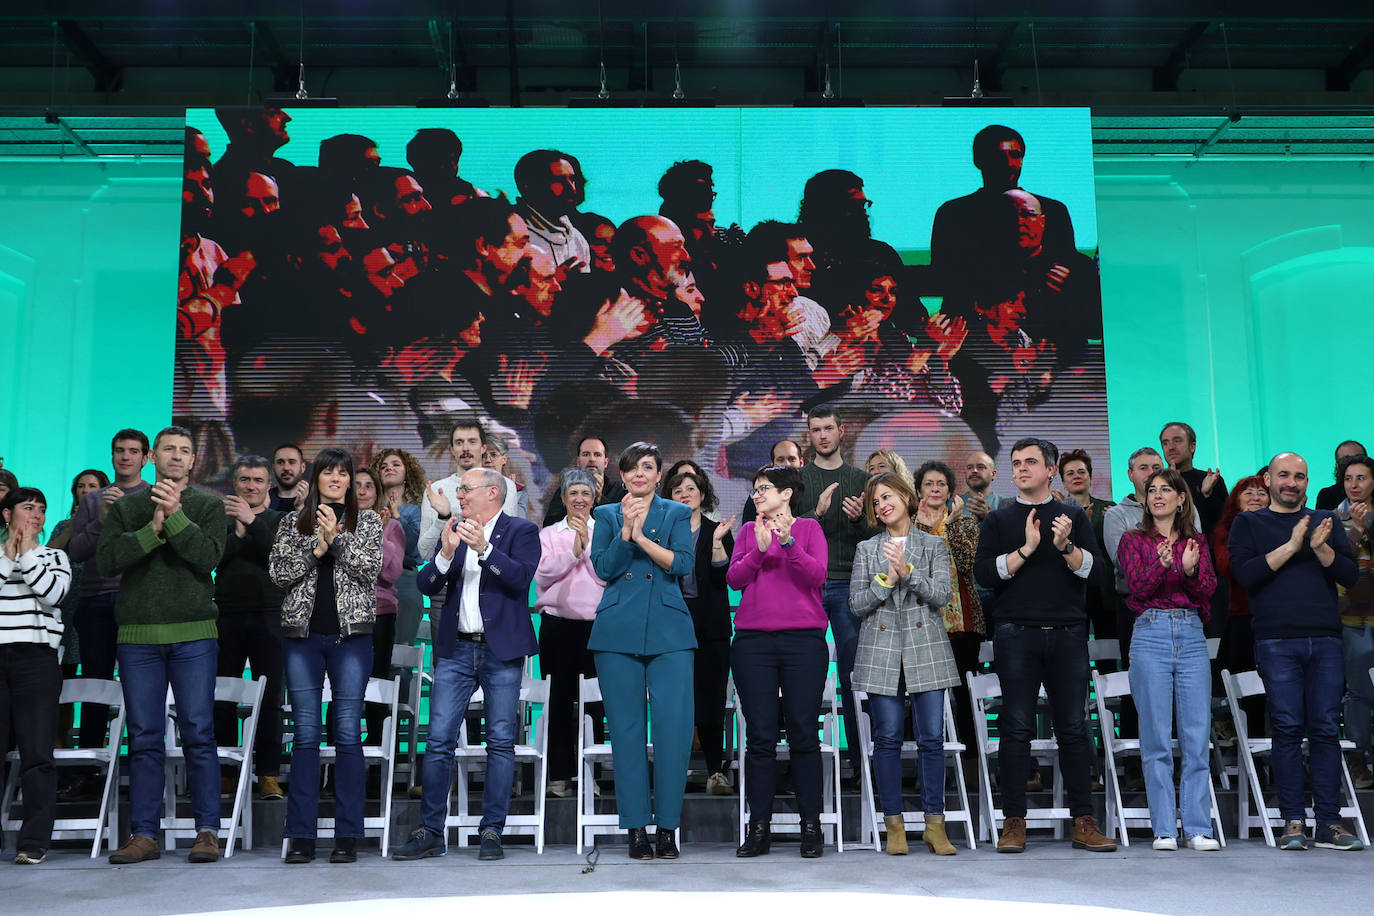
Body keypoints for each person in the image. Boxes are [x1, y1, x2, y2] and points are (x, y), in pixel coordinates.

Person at [972, 436, 1113, 853]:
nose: (1021, 469)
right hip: (1016, 635)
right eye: (1016, 463)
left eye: (1030, 462)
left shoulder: (1072, 516)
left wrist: (1065, 546)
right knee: (1015, 729)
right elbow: (985, 574)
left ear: (1051, 470)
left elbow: (1097, 572)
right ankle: (1014, 821)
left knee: (1073, 728)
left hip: (1069, 635)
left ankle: (1084, 821)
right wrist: (1027, 549)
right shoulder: (998, 520)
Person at [392, 466, 540, 863]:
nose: (460, 496)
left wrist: (485, 551)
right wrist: (443, 554)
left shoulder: (521, 531)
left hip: (501, 651)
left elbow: (520, 579)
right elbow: (426, 585)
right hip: (456, 649)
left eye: (466, 490)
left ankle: (492, 830)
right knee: (439, 739)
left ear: (493, 492)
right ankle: (430, 831)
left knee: (500, 741)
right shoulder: (454, 531)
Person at [96, 426, 227, 865]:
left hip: (194, 634)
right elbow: (108, 560)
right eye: (168, 449)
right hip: (138, 637)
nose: (176, 456)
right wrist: (152, 529)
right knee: (145, 736)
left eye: (185, 451)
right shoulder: (129, 505)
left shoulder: (208, 505)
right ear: (153, 457)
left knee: (198, 732)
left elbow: (208, 558)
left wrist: (174, 518)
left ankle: (207, 831)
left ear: (193, 461)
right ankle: (145, 835)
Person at [1228, 451, 1363, 851]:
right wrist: (1292, 545)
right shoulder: (1248, 522)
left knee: (1324, 729)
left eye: (1300, 476)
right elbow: (1246, 574)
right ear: (1267, 480)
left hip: (1325, 639)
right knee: (1286, 728)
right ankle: (1292, 821)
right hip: (1275, 640)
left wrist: (1321, 549)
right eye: (1283, 475)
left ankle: (1329, 822)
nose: (1292, 482)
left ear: (1308, 481)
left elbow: (1350, 576)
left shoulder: (1328, 520)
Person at [269, 447, 383, 865]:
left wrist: (337, 541)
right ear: (315, 478)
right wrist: (313, 550)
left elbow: (372, 568)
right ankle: (300, 834)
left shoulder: (367, 521)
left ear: (351, 481)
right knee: (304, 735)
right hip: (302, 638)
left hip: (350, 639)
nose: (335, 479)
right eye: (328, 473)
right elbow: (279, 575)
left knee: (349, 734)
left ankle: (347, 834)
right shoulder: (290, 523)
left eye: (342, 473)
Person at [587, 442, 695, 860]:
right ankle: (636, 829)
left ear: (658, 473)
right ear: (623, 473)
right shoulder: (605, 514)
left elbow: (682, 564)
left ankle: (667, 828)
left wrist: (642, 539)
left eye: (647, 467)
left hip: (670, 632)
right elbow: (604, 568)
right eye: (631, 468)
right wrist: (623, 534)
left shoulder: (676, 513)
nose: (638, 474)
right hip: (617, 631)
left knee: (672, 731)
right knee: (627, 734)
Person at [851, 468, 960, 856]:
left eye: (886, 497)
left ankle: (935, 824)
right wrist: (885, 579)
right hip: (881, 652)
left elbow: (942, 595)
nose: (881, 505)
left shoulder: (932, 546)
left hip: (925, 648)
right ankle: (893, 824)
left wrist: (908, 573)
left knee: (932, 738)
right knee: (888, 738)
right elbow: (857, 604)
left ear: (906, 496)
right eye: (875, 501)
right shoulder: (867, 549)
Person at [1115, 469, 1220, 851]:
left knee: (1196, 736)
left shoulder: (1197, 540)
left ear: (1181, 498)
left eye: (1166, 490)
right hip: (1151, 632)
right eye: (1151, 490)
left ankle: (1197, 828)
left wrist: (1189, 570)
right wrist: (1163, 565)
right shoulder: (1133, 540)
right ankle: (1163, 828)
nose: (1157, 495)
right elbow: (1136, 587)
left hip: (1191, 634)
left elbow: (1209, 589)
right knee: (1156, 736)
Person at [727, 464, 829, 858]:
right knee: (760, 737)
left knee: (804, 734)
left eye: (764, 488)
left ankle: (811, 826)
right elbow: (734, 580)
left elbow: (816, 576)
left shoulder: (809, 529)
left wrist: (788, 544)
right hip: (753, 643)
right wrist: (759, 549)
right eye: (754, 489)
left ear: (787, 493)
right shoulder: (749, 532)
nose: (756, 494)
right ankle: (759, 827)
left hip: (803, 641)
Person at [61, 429, 149, 800]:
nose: (124, 457)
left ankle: (141, 769)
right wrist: (103, 518)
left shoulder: (152, 496)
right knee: (95, 687)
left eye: (132, 452)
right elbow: (76, 552)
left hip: (138, 601)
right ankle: (88, 773)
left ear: (146, 458)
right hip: (96, 602)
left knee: (141, 690)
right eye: (119, 451)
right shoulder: (94, 500)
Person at [797, 407, 873, 781]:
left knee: (854, 677)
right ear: (808, 435)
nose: (823, 435)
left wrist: (859, 520)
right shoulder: (797, 479)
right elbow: (785, 535)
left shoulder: (861, 479)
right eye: (816, 430)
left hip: (847, 583)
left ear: (842, 432)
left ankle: (862, 764)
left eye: (829, 429)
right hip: (805, 585)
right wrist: (816, 512)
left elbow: (877, 542)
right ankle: (805, 766)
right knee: (802, 677)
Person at [0, 486, 72, 865]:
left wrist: (27, 553)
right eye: (28, 508)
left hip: (37, 661)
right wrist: (9, 555)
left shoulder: (54, 556)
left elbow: (52, 595)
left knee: (37, 754)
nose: (37, 516)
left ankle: (34, 841)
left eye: (42, 510)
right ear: (7, 514)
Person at [213, 456, 286, 801]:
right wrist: (237, 531)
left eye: (258, 480)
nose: (251, 486)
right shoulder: (218, 519)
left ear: (268, 485)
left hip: (271, 614)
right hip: (226, 612)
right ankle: (225, 772)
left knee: (270, 698)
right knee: (222, 695)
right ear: (235, 484)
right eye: (245, 480)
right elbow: (209, 560)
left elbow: (280, 557)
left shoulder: (280, 520)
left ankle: (268, 773)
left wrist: (252, 524)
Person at [533, 468, 606, 798]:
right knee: (558, 702)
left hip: (597, 628)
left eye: (585, 493)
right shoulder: (548, 534)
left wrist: (587, 547)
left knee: (597, 705)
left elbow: (607, 576)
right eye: (573, 493)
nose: (579, 499)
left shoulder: (606, 531)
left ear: (595, 498)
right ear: (563, 498)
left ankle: (593, 775)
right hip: (557, 628)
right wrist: (572, 552)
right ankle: (559, 775)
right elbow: (542, 576)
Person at [667, 468, 736, 796]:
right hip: (672, 624)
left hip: (711, 626)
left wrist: (720, 545)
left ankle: (714, 771)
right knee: (674, 704)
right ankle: (671, 772)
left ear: (703, 494)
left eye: (690, 488)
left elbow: (728, 581)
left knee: (711, 701)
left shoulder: (717, 530)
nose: (684, 493)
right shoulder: (661, 531)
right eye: (677, 489)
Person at [911, 461, 985, 755]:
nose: (935, 489)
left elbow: (968, 565)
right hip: (922, 625)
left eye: (941, 484)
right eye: (929, 484)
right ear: (918, 490)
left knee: (965, 696)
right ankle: (926, 765)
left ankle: (970, 764)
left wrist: (951, 525)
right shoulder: (908, 525)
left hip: (964, 624)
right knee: (925, 697)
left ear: (951, 490)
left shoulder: (965, 523)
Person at [47, 469, 108, 735]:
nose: (85, 490)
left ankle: (94, 743)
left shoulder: (111, 523)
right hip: (66, 611)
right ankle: (59, 739)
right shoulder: (64, 525)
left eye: (92, 485)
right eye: (81, 486)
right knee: (64, 679)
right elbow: (47, 555)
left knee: (97, 678)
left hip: (98, 605)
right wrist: (73, 527)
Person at [1212, 475, 1270, 742]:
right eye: (1249, 493)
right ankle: (1255, 762)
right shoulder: (1227, 530)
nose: (1256, 497)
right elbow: (1229, 567)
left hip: (1277, 619)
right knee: (1251, 694)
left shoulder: (1281, 525)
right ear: (1236, 500)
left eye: (1261, 493)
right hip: (1243, 621)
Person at [352, 467, 404, 756]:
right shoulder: (339, 523)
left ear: (377, 493)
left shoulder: (392, 527)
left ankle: (379, 762)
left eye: (368, 486)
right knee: (340, 689)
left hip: (379, 612)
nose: (361, 491)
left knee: (376, 685)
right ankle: (335, 762)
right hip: (344, 613)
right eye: (356, 485)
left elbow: (390, 572)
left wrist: (381, 533)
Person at [418, 418, 521, 560]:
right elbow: (425, 553)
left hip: (490, 575)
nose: (465, 448)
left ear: (483, 448)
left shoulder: (505, 485)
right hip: (450, 578)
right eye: (459, 443)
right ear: (452, 450)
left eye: (472, 442)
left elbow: (507, 543)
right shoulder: (436, 490)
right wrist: (443, 518)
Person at [1334, 453, 1374, 788]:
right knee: (1359, 692)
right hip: (1352, 618)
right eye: (1349, 479)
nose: (1354, 485)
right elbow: (1335, 563)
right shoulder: (1331, 519)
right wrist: (1357, 529)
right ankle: (1359, 760)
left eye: (1361, 478)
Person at [1057, 449, 1120, 647]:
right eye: (1070, 473)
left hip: (1105, 590)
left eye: (1081, 471)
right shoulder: (1059, 511)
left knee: (1109, 650)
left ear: (1090, 476)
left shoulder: (1110, 508)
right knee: (1074, 649)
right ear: (1063, 481)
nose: (1077, 476)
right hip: (1072, 592)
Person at [369, 447, 426, 652]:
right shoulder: (367, 508)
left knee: (401, 653)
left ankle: (400, 684)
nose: (388, 469)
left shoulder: (415, 510)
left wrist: (396, 516)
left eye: (395, 465)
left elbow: (413, 547)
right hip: (370, 579)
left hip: (406, 580)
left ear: (406, 473)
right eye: (383, 466)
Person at [513, 149, 591, 272]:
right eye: (558, 180)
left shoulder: (577, 239)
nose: (571, 188)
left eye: (572, 179)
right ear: (529, 186)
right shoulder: (512, 236)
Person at [1159, 422, 1227, 538]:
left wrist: (1207, 495)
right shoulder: (1157, 483)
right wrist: (1172, 483)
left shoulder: (1211, 480)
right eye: (1165, 443)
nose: (1171, 447)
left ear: (1192, 446)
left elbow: (1226, 522)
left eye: (1177, 440)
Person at [542, 434, 627, 526]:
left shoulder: (620, 489)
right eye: (586, 454)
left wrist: (599, 499)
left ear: (606, 462)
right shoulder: (565, 489)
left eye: (597, 455)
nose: (592, 459)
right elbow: (549, 525)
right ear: (578, 461)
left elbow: (622, 527)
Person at [482, 434, 530, 520]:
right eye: (483, 456)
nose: (488, 460)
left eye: (493, 455)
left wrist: (510, 492)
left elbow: (519, 522)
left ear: (504, 459)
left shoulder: (518, 491)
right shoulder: (469, 487)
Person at [1316, 440, 1366, 511]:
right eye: (1346, 459)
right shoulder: (1327, 496)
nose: (1352, 463)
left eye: (1358, 458)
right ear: (1337, 466)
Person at [268, 444, 307, 511]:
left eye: (292, 462)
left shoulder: (315, 500)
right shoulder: (263, 498)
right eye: (280, 462)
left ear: (303, 467)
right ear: (273, 468)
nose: (286, 468)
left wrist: (300, 507)